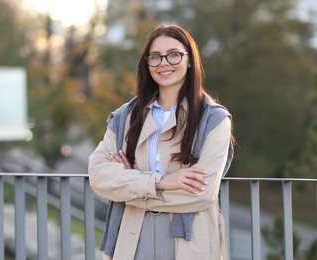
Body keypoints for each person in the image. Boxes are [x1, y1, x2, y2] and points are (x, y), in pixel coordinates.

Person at [88, 23, 234, 260]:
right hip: (131, 237)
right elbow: (98, 176)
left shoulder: (214, 119)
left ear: (189, 60)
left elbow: (201, 194)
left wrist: (130, 185)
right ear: (146, 64)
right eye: (155, 57)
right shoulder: (125, 116)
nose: (164, 63)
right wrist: (162, 182)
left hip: (189, 241)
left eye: (174, 54)